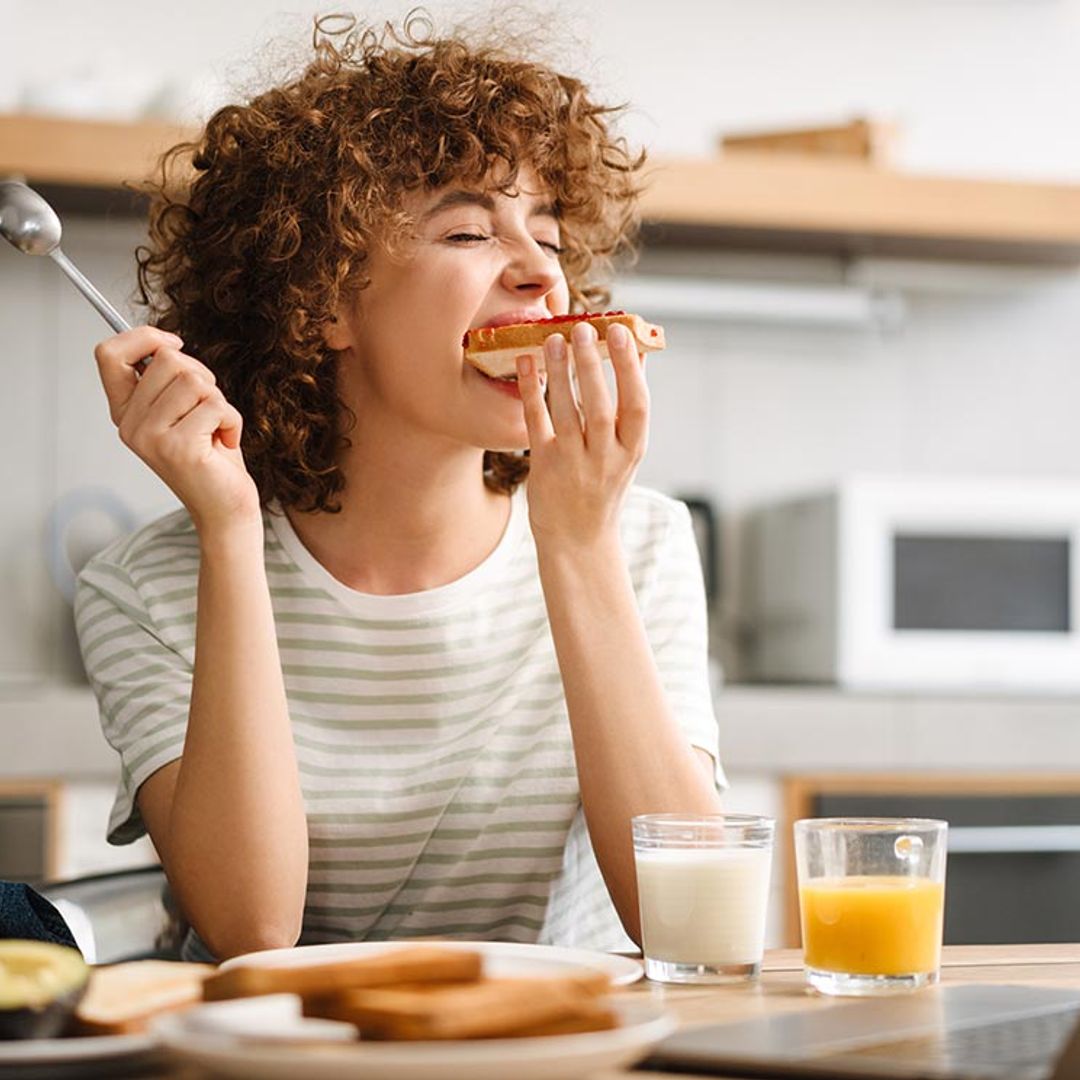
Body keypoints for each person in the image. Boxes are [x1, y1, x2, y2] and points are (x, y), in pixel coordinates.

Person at [75, 11, 725, 963]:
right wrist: (227, 529)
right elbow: (254, 928)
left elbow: (694, 928)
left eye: (546, 233)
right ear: (322, 300)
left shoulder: (639, 542)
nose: (542, 270)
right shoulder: (147, 588)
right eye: (469, 230)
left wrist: (579, 545)